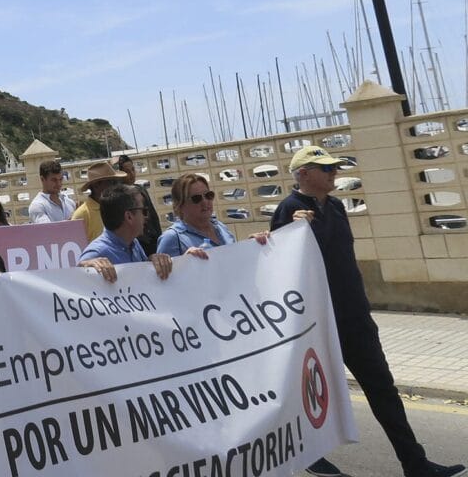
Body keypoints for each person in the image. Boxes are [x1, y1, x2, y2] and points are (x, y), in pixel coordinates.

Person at [271, 146, 463, 477]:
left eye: (333, 168)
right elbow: (277, 263)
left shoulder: (335, 206)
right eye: (324, 168)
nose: (333, 173)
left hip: (355, 319)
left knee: (384, 392)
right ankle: (308, 456)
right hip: (318, 324)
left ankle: (415, 463)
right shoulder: (289, 210)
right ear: (303, 174)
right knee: (311, 396)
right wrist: (293, 230)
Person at [77, 184, 175, 283]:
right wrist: (85, 266)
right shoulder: (97, 252)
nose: (147, 217)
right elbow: (75, 281)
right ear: (129, 217)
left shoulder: (133, 244)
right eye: (144, 211)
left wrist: (152, 261)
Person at [157, 173, 267, 256]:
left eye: (208, 195)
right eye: (196, 198)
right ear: (180, 206)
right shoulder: (172, 238)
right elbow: (164, 280)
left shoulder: (221, 227)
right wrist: (185, 263)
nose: (205, 201)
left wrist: (252, 244)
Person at [116, 154, 161, 256]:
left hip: (152, 240)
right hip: (137, 244)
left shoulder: (142, 190)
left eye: (133, 170)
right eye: (127, 171)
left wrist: (159, 237)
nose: (132, 174)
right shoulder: (118, 196)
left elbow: (153, 216)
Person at [70, 161, 126, 241]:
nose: (115, 186)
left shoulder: (116, 207)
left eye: (116, 182)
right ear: (96, 185)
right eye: (111, 182)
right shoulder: (82, 215)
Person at [28, 159, 76, 224]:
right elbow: (48, 231)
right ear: (42, 179)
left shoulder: (69, 201)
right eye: (54, 180)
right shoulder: (37, 206)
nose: (59, 184)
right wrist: (75, 219)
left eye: (60, 179)